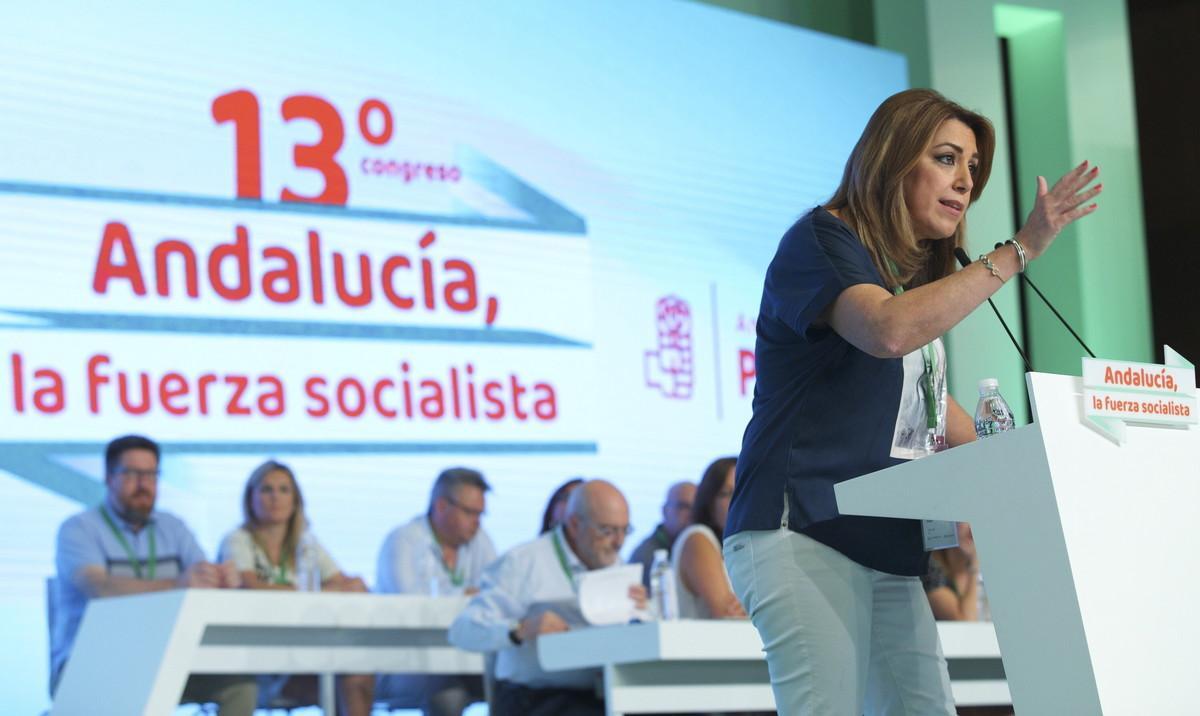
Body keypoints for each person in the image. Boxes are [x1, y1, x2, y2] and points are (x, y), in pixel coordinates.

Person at [723, 88, 1101, 715]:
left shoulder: (906, 272)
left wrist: (1029, 462)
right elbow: (888, 331)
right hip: (803, 530)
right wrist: (1019, 250)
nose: (965, 182)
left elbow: (924, 399)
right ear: (895, 159)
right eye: (948, 159)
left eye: (973, 167)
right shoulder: (819, 241)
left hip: (886, 544)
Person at [52, 435, 256, 714]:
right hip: (92, 662)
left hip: (166, 657)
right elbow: (99, 587)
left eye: (151, 474)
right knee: (127, 689)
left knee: (240, 687)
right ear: (109, 477)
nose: (143, 483)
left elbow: (202, 579)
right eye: (132, 473)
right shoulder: (78, 529)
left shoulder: (174, 527)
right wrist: (177, 584)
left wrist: (221, 579)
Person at [449, 480, 646, 716]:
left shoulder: (616, 566)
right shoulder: (524, 563)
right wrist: (520, 629)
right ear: (574, 525)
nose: (619, 542)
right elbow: (462, 630)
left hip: (602, 693)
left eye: (625, 530)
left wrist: (643, 613)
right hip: (534, 697)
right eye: (607, 531)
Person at [217, 460, 373, 716]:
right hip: (255, 650)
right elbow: (249, 586)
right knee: (337, 676)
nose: (275, 497)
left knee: (357, 672)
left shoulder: (306, 542)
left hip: (305, 646)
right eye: (266, 490)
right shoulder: (237, 539)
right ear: (250, 498)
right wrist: (318, 591)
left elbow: (343, 583)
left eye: (284, 490)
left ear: (295, 499)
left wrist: (345, 586)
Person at [375, 467, 497, 715]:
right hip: (405, 661)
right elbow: (410, 608)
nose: (477, 522)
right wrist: (464, 598)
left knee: (513, 680)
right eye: (470, 513)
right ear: (441, 506)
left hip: (465, 658)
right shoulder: (403, 541)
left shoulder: (480, 541)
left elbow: (495, 598)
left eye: (481, 514)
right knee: (447, 692)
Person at [672, 458, 744, 619]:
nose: (738, 502)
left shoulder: (742, 547)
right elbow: (728, 617)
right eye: (728, 493)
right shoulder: (698, 538)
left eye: (743, 492)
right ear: (710, 501)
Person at [629, 480, 696, 588]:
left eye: (696, 508)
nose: (691, 515)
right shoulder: (645, 557)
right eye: (683, 507)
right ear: (665, 511)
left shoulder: (698, 548)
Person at [923, 521, 980, 621]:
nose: (972, 530)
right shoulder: (929, 567)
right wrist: (974, 565)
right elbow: (966, 621)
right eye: (966, 519)